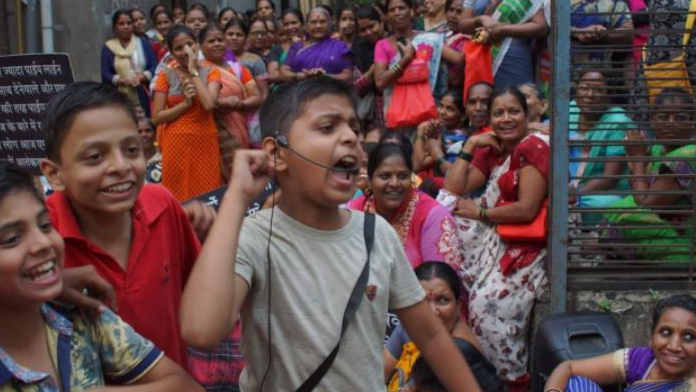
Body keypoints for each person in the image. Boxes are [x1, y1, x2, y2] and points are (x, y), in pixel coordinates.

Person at [180, 75, 483, 392]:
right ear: (277, 153)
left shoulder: (376, 232)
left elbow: (432, 337)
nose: (350, 137)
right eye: (328, 127)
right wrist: (237, 197)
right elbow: (201, 329)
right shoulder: (255, 238)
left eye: (353, 126)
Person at [0, 158, 203, 391]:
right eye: (12, 239)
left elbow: (186, 386)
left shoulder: (76, 314)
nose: (42, 243)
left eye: (45, 225)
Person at [38, 82, 213, 370]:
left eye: (132, 150)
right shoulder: (39, 237)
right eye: (95, 157)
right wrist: (50, 286)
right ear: (54, 174)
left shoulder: (163, 205)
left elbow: (199, 295)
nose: (121, 166)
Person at [437, 85, 550, 390]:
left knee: (488, 308)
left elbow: (526, 210)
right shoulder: (499, 147)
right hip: (500, 233)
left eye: (514, 111)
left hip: (526, 243)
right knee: (442, 211)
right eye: (498, 113)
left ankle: (512, 383)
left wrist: (481, 214)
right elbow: (453, 189)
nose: (506, 118)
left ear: (528, 115)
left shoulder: (535, 145)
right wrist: (471, 142)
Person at [602, 88, 696, 262]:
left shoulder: (693, 154)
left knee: (626, 213)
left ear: (693, 122)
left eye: (680, 118)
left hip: (689, 244)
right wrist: (636, 161)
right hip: (667, 232)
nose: (671, 123)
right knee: (620, 207)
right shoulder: (658, 149)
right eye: (663, 117)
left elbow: (645, 204)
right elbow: (638, 191)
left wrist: (638, 159)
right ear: (652, 121)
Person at [544, 294, 696, 392]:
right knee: (576, 383)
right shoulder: (642, 359)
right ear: (652, 335)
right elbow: (568, 368)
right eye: (665, 332)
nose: (674, 346)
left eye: (689, 337)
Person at [348, 143, 462, 270]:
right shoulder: (354, 210)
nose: (395, 183)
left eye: (403, 176)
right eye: (385, 176)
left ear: (411, 178)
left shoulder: (433, 215)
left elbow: (440, 282)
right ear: (370, 180)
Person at [383, 261, 485, 392]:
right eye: (422, 301)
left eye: (443, 300)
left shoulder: (463, 351)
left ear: (458, 305)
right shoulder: (411, 324)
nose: (432, 311)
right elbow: (379, 373)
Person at [152, 25, 222, 201]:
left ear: (197, 45)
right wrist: (185, 104)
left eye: (189, 45)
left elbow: (208, 104)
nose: (185, 51)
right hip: (176, 143)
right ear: (171, 52)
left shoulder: (211, 72)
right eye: (178, 48)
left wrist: (193, 72)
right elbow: (157, 117)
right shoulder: (166, 75)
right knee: (177, 195)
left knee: (207, 194)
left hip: (205, 139)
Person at [374, 0, 465, 128]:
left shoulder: (429, 39)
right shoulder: (382, 45)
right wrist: (405, 60)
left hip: (429, 116)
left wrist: (477, 32)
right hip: (397, 117)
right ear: (387, 16)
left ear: (411, 12)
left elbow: (460, 60)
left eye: (401, 8)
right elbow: (380, 82)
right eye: (392, 10)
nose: (397, 13)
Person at [199, 23, 263, 183]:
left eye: (220, 40)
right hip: (207, 133)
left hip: (238, 131)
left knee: (240, 176)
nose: (217, 44)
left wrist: (238, 105)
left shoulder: (238, 70)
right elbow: (197, 101)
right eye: (211, 41)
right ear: (201, 45)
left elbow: (257, 96)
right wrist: (221, 102)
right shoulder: (196, 71)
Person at [569, 69, 635, 220]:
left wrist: (573, 195)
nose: (590, 95)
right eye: (584, 88)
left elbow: (610, 177)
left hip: (599, 192)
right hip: (566, 185)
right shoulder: (570, 109)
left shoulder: (618, 122)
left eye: (598, 90)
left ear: (608, 96)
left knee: (603, 204)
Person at [101, 9, 157, 116]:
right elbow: (105, 74)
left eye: (129, 23)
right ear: (115, 27)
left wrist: (141, 77)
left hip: (143, 96)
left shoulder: (142, 43)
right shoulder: (108, 47)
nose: (126, 26)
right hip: (118, 97)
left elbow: (155, 66)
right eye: (121, 24)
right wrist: (121, 80)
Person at [223, 18, 269, 147]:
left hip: (250, 114)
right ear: (224, 35)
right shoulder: (218, 60)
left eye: (239, 34)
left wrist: (247, 108)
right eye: (230, 34)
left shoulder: (254, 60)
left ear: (246, 37)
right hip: (224, 113)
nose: (234, 38)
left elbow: (264, 94)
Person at [279, 7, 354, 83]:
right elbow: (284, 72)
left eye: (322, 22)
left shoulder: (340, 47)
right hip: (302, 92)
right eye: (313, 22)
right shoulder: (297, 47)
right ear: (306, 26)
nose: (318, 26)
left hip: (332, 92)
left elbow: (348, 76)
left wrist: (327, 76)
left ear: (330, 24)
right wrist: (303, 76)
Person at [414, 90, 468, 177]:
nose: (442, 112)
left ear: (463, 116)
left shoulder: (453, 139)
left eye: (449, 109)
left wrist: (420, 131)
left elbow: (418, 165)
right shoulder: (450, 132)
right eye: (441, 106)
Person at [353, 5, 387, 128]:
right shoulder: (359, 48)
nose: (368, 32)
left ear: (381, 22)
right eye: (363, 30)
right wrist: (373, 70)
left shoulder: (393, 41)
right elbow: (357, 87)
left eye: (372, 26)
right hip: (373, 109)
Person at [445, 0, 469, 91]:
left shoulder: (468, 39)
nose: (452, 16)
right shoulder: (447, 35)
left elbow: (455, 79)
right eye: (451, 10)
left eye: (459, 12)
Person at [247, 18, 281, 82]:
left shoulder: (273, 54)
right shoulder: (242, 54)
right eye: (255, 33)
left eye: (262, 33)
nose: (259, 37)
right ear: (247, 35)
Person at [138, 117, 162, 184]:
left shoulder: (164, 160)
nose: (144, 135)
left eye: (148, 131)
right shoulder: (131, 162)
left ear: (155, 134)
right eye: (139, 132)